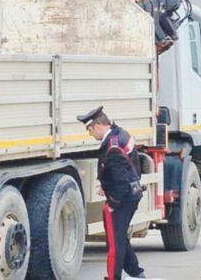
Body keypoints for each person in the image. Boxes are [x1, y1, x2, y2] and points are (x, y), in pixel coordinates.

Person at [77, 106, 146, 280]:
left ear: (97, 126)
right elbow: (123, 170)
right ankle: (136, 271)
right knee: (119, 235)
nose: (90, 135)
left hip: (123, 198)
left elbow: (120, 179)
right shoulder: (119, 134)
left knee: (114, 241)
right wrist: (106, 186)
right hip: (131, 193)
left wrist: (113, 203)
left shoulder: (113, 145)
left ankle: (113, 277)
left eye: (89, 130)